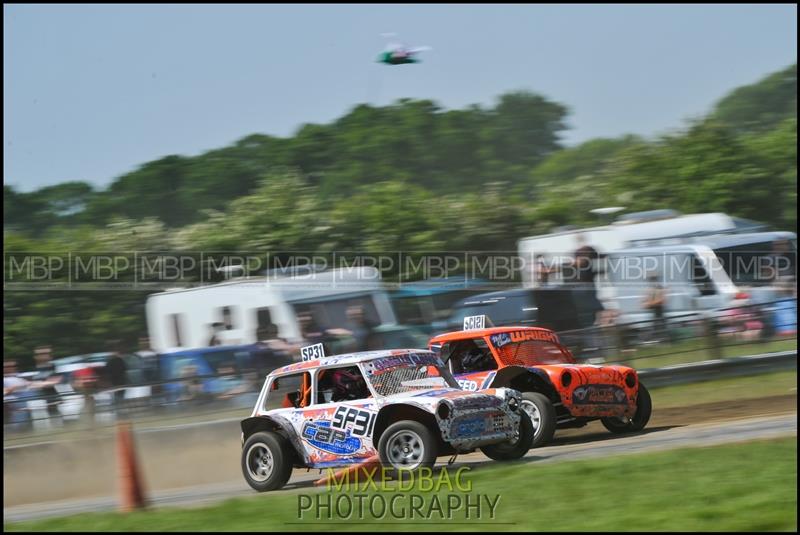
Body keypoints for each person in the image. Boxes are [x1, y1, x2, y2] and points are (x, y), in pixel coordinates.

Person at [643, 273, 667, 342]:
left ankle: (662, 340)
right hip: (655, 312)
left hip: (659, 311)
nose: (651, 281)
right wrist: (647, 302)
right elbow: (648, 299)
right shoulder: (653, 288)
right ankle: (659, 340)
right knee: (656, 326)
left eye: (652, 279)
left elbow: (661, 300)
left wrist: (650, 303)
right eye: (651, 280)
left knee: (660, 326)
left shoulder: (659, 287)